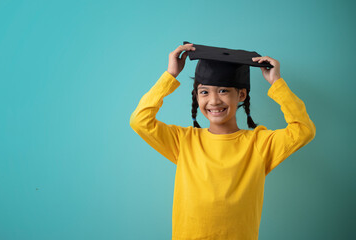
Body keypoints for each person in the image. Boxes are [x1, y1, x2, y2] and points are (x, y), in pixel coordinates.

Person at [129, 43, 316, 240]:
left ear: (241, 95)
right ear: (196, 97)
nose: (214, 101)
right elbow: (140, 121)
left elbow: (303, 130)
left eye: (223, 91)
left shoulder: (259, 144)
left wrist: (276, 83)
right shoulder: (184, 141)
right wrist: (170, 75)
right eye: (204, 92)